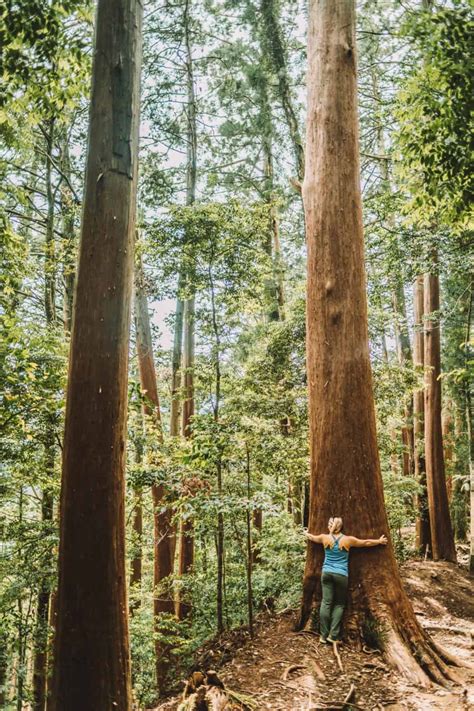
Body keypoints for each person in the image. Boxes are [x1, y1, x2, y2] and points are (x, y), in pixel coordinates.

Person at [304, 517, 387, 644]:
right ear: (341, 527)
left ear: (330, 526)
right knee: (339, 604)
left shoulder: (324, 538)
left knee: (326, 603)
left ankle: (323, 636)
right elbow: (366, 543)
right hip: (341, 575)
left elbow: (311, 537)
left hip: (326, 573)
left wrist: (305, 533)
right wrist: (379, 541)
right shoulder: (348, 540)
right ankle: (333, 635)